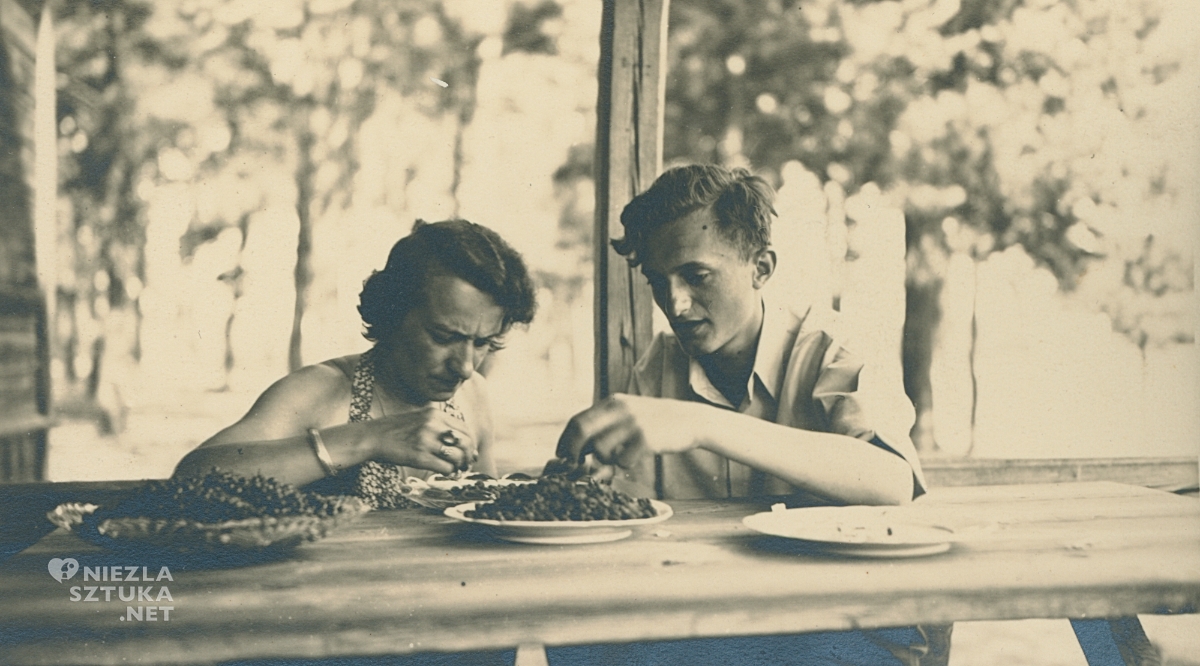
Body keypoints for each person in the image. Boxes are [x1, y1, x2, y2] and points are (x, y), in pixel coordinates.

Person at [551, 164, 949, 665]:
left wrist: (701, 424)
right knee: (577, 643)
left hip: (842, 627)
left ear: (761, 267)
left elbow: (891, 480)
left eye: (696, 276)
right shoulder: (656, 369)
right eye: (659, 281)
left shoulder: (836, 347)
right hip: (719, 628)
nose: (675, 303)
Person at [173, 219, 537, 489]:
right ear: (393, 314)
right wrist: (366, 439)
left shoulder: (475, 396)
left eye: (482, 342)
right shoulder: (319, 392)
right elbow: (191, 477)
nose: (466, 366)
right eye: (443, 336)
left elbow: (484, 507)